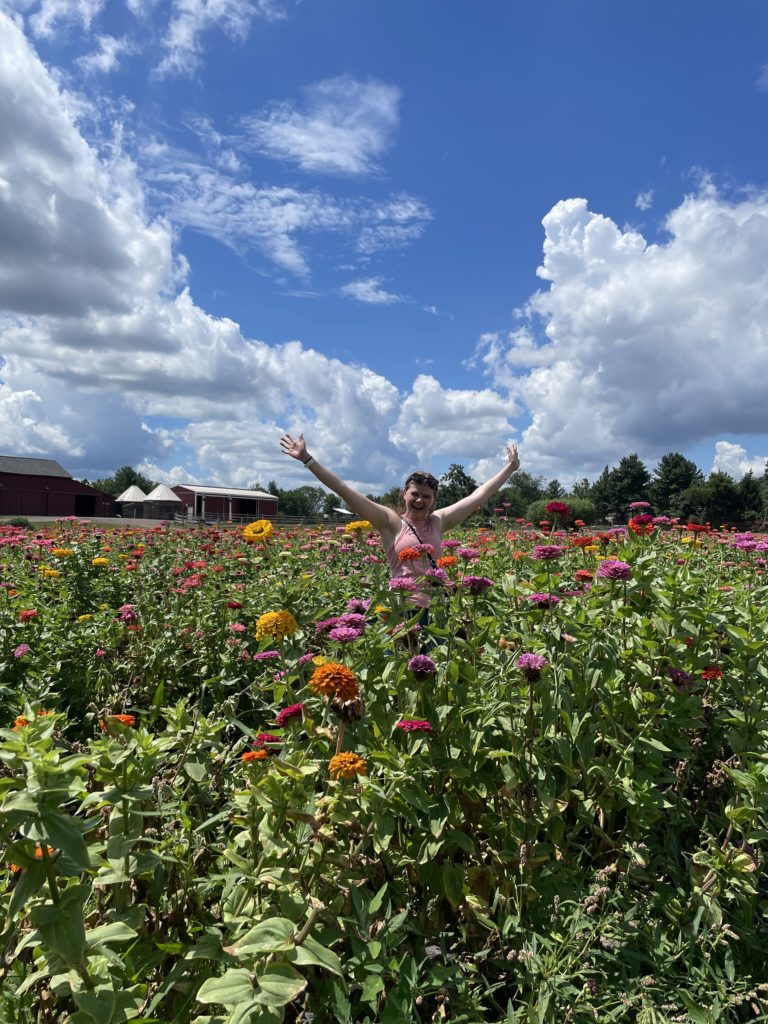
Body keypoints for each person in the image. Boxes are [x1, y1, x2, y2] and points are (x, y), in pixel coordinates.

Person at [279, 433, 520, 609]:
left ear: (433, 500)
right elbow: (344, 489)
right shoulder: (390, 521)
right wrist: (307, 459)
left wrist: (509, 469)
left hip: (438, 608)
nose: (419, 500)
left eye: (426, 496)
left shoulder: (439, 521)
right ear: (404, 493)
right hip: (403, 609)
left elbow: (477, 496)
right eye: (414, 494)